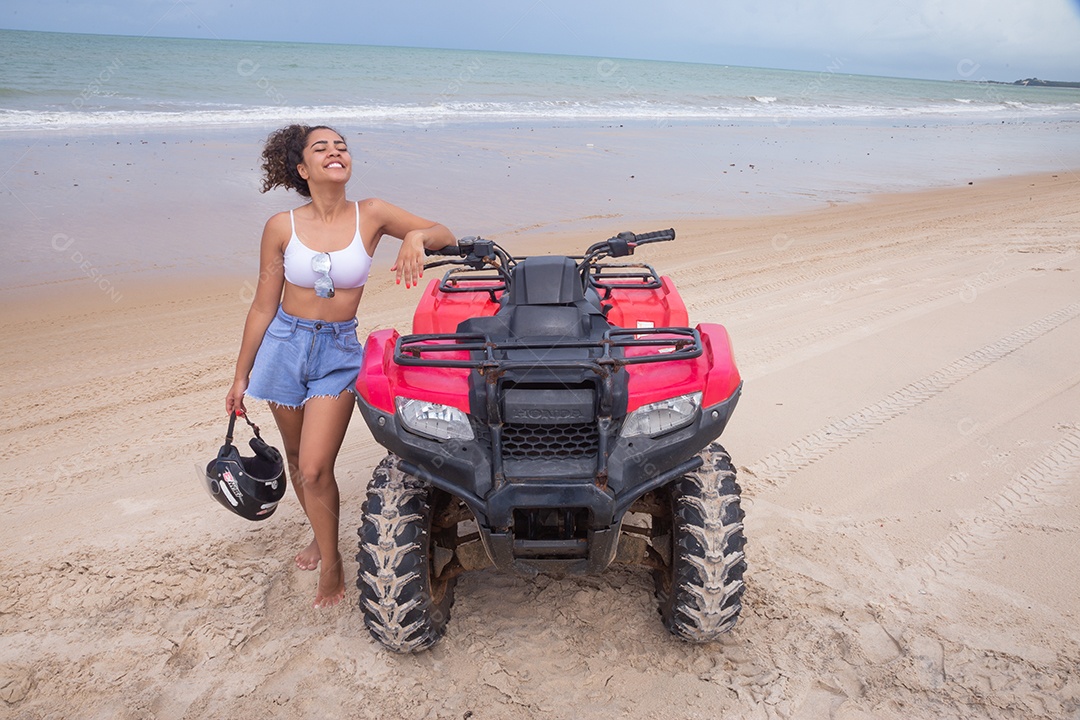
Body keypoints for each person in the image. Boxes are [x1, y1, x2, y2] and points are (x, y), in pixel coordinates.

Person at [226, 124, 456, 608]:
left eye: (342, 146)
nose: (336, 152)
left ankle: (331, 563)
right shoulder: (280, 226)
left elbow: (446, 236)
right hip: (283, 347)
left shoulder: (369, 214)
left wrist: (415, 236)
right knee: (294, 459)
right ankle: (319, 534)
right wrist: (241, 375)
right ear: (302, 169)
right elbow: (263, 306)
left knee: (313, 467)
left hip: (337, 352)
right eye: (321, 148)